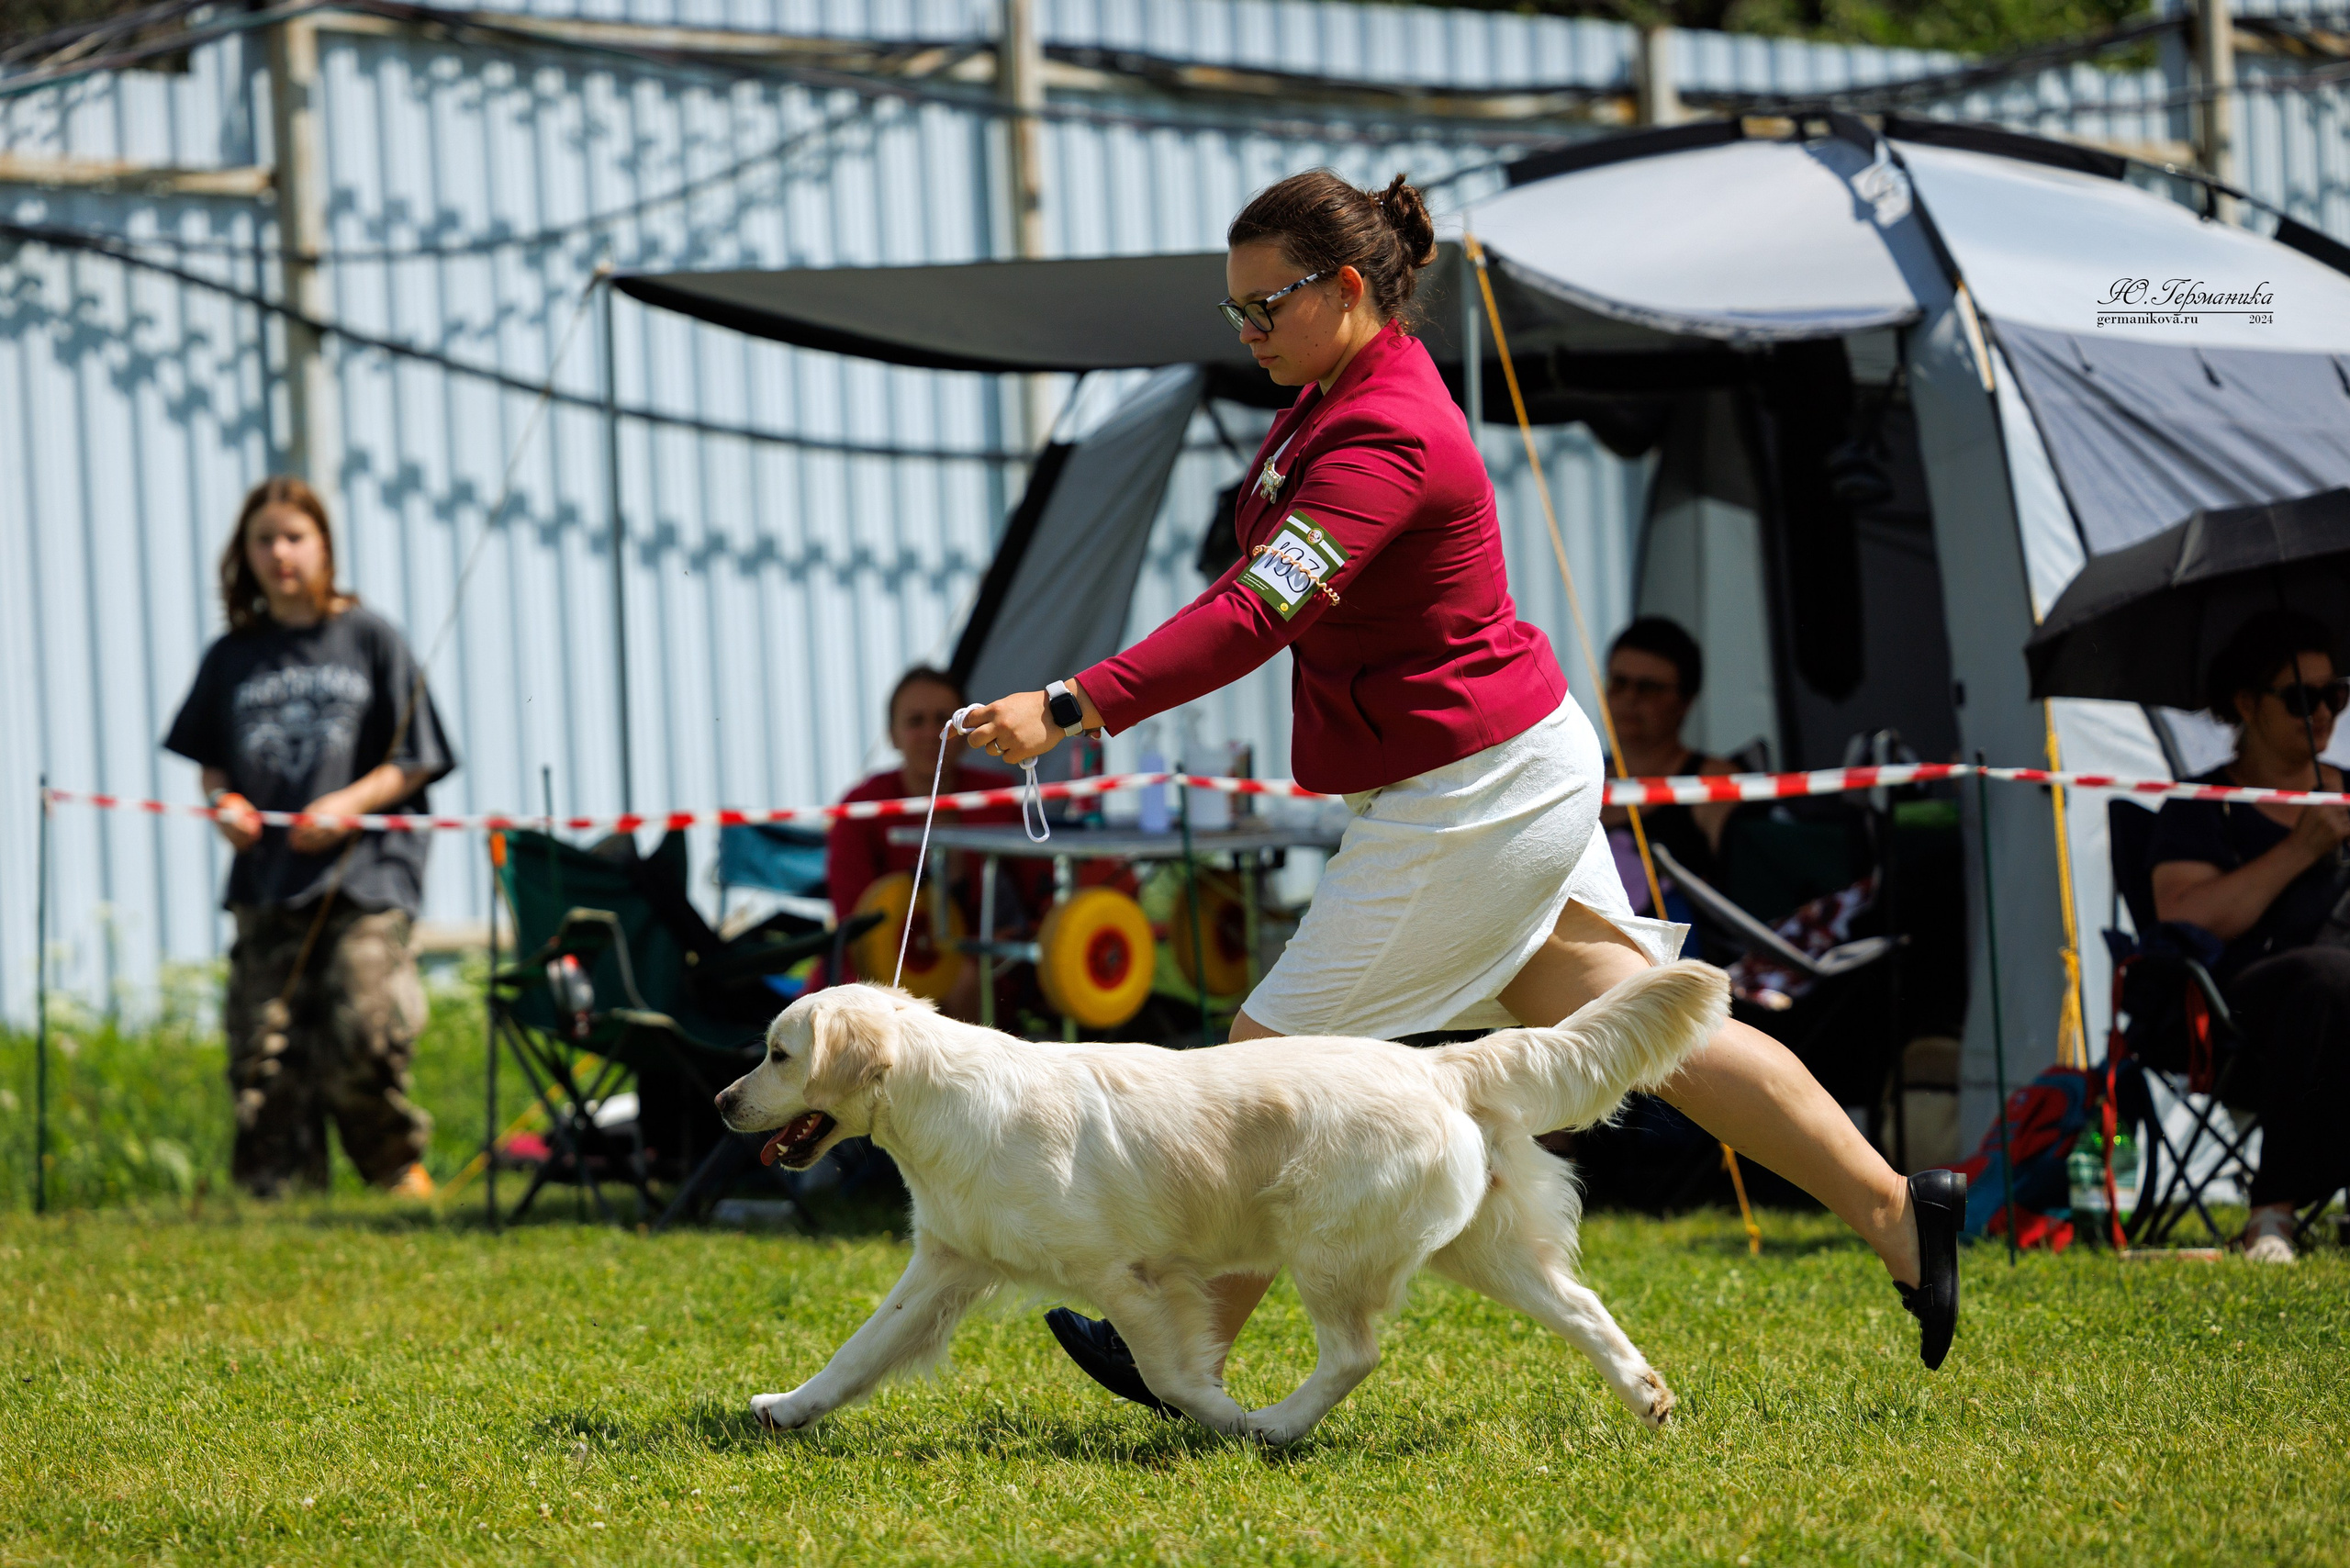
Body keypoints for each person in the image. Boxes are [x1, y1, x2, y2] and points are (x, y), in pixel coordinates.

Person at [959, 167, 1964, 1414]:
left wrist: (1073, 705)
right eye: (1235, 312)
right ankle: (1901, 1213)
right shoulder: (1337, 393)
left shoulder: (1383, 430)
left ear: (1344, 288)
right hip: (1497, 766)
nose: (1247, 331)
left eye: (1265, 307)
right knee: (1649, 1027)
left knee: (1269, 1061)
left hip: (1471, 792)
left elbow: (1256, 611)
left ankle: (1180, 1345)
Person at [163, 477, 456, 1199]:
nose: (279, 553)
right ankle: (280, 1195)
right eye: (263, 540)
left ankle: (396, 1171)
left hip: (367, 877)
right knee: (264, 1055)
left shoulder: (370, 637)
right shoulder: (232, 655)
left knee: (364, 1030)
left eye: (294, 536)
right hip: (267, 882)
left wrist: (348, 807)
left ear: (324, 546)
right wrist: (224, 803)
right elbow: (212, 762)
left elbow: (417, 756)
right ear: (243, 555)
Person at [2148, 611, 2350, 1263]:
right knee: (2326, 977)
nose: (2323, 713)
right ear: (2246, 703)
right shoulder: (2203, 803)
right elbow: (2184, 915)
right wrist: (2298, 851)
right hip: (2237, 1004)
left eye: (2335, 694)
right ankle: (2272, 1213)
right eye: (2300, 698)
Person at [826, 666, 1046, 1018]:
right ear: (893, 735)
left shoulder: (997, 794)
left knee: (967, 981)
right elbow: (854, 924)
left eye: (945, 721)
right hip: (878, 980)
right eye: (916, 721)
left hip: (986, 970)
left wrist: (1027, 935)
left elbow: (1043, 887)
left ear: (969, 732)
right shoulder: (861, 807)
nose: (933, 733)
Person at [1599, 616, 1736, 913]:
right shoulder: (1584, 775)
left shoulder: (1713, 782)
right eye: (1619, 683)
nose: (1629, 698)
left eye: (1648, 688)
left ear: (1685, 701)